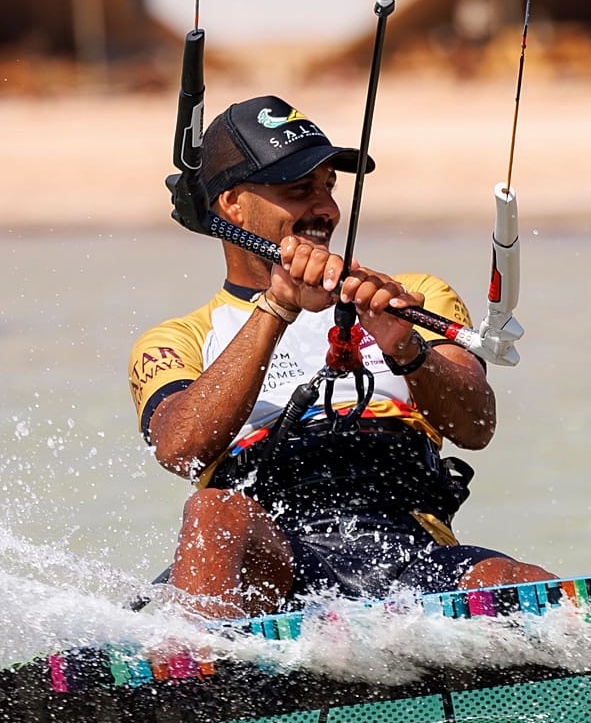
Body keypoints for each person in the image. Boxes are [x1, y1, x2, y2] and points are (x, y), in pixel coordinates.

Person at [129, 95, 553, 620]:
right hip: (272, 559)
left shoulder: (415, 294)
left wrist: (404, 346)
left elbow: (476, 426)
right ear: (233, 204)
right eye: (299, 190)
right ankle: (195, 674)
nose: (326, 208)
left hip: (409, 547)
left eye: (329, 186)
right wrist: (278, 307)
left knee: (520, 584)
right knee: (215, 512)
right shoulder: (178, 338)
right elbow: (181, 450)